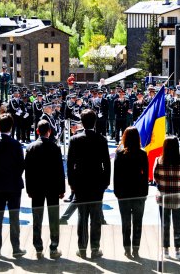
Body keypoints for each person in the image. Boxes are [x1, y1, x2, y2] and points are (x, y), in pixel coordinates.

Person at [67, 109, 111, 259]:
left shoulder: (75, 139)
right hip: (97, 183)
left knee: (82, 215)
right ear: (95, 122)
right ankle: (95, 248)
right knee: (96, 217)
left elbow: (70, 163)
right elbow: (107, 163)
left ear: (82, 122)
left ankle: (82, 248)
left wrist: (71, 183)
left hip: (80, 183)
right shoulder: (102, 139)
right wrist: (106, 182)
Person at [0, 113, 26, 257]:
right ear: (11, 126)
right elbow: (21, 166)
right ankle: (16, 248)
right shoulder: (16, 144)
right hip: (14, 184)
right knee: (14, 217)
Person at [25, 120, 65, 259]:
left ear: (37, 131)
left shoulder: (30, 148)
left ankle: (38, 247)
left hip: (36, 188)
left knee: (37, 218)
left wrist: (28, 189)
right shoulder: (55, 147)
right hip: (53, 188)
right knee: (54, 218)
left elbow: (28, 172)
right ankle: (53, 247)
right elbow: (60, 171)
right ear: (50, 131)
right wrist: (62, 189)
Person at [114, 127, 149, 258]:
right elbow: (145, 175)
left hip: (123, 193)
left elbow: (116, 175)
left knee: (126, 222)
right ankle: (136, 249)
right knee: (138, 222)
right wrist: (145, 193)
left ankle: (127, 248)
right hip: (139, 193)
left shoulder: (120, 153)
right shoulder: (142, 154)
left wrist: (117, 192)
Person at [154, 136, 180, 260]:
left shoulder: (158, 161)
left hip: (164, 197)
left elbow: (155, 178)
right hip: (178, 197)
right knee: (177, 224)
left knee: (165, 224)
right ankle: (178, 249)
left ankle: (165, 249)